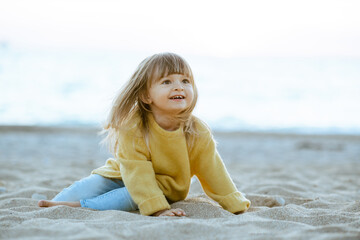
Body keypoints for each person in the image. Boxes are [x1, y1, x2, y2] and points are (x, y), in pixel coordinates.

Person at [38, 52, 251, 217]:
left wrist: (236, 204)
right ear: (146, 95)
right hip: (121, 173)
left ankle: (79, 207)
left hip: (163, 186)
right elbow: (136, 170)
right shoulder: (134, 126)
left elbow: (213, 171)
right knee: (87, 186)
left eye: (185, 81)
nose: (179, 86)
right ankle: (64, 202)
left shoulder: (196, 130)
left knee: (128, 197)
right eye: (167, 82)